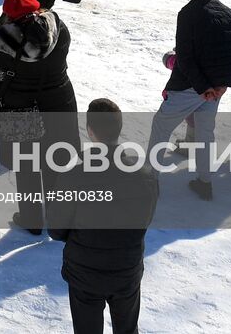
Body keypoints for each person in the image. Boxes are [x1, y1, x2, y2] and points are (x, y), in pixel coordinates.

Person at [60, 98, 160, 334]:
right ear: (119, 128)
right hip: (127, 268)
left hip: (85, 270)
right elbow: (146, 218)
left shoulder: (74, 173)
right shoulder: (145, 174)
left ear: (90, 131)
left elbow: (57, 227)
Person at [146, 0, 231, 201]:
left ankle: (149, 183)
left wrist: (204, 88)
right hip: (215, 88)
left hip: (192, 86)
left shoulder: (189, 12)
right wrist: (223, 85)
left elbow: (186, 57)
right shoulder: (230, 14)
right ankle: (205, 182)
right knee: (205, 133)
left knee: (161, 126)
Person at [0, 0, 75, 235]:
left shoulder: (6, 41)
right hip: (59, 100)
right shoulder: (58, 26)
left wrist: (6, 26)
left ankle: (31, 218)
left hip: (21, 105)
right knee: (57, 160)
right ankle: (58, 218)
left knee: (27, 165)